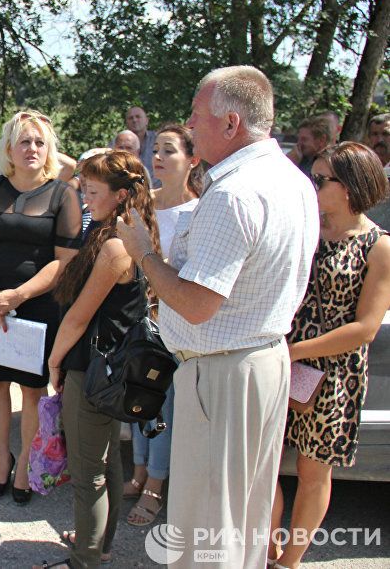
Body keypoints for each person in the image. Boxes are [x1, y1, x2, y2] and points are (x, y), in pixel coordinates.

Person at [116, 66, 318, 568]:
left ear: (230, 123)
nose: (187, 123)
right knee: (241, 517)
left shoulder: (233, 193)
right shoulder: (290, 179)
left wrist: (143, 252)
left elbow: (196, 303)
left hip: (224, 372)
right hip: (260, 362)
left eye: (196, 114)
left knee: (207, 525)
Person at [269, 143, 390, 569]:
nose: (311, 184)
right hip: (280, 361)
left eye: (322, 179)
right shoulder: (303, 227)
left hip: (334, 373)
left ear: (353, 185)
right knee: (262, 464)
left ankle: (289, 561)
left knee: (313, 472)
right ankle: (266, 550)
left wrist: (294, 351)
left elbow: (365, 328)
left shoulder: (379, 246)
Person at [37, 151, 159, 569]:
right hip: (110, 371)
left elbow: (78, 316)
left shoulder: (113, 244)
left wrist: (54, 361)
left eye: (92, 192)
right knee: (106, 463)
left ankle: (84, 559)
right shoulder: (131, 231)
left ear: (121, 194)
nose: (85, 200)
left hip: (91, 369)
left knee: (88, 471)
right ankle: (99, 545)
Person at [0, 110, 82, 503]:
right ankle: (2, 459)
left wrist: (18, 295)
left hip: (38, 306)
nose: (32, 148)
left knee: (32, 392)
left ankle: (27, 463)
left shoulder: (64, 194)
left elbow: (64, 261)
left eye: (39, 142)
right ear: (8, 147)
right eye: (24, 141)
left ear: (50, 149)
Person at [122, 124, 203, 527]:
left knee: (163, 407)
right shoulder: (143, 205)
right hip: (139, 321)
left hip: (175, 326)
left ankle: (155, 486)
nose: (157, 157)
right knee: (139, 396)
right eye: (156, 150)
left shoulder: (201, 211)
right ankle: (137, 471)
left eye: (169, 151)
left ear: (192, 159)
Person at [125, 106, 157, 182]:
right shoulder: (118, 143)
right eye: (130, 118)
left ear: (147, 120)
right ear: (126, 122)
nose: (134, 120)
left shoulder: (158, 140)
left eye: (138, 117)